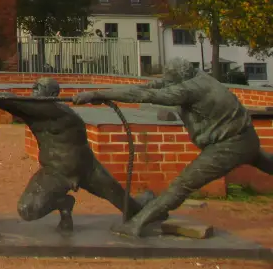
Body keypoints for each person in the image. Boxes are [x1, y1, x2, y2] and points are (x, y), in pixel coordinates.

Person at [75, 57, 273, 237]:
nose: (166, 82)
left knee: (182, 185)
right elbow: (147, 88)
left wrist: (96, 93)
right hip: (246, 139)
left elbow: (146, 96)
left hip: (230, 144)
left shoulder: (191, 89)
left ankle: (136, 224)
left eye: (170, 79)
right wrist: (103, 95)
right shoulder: (192, 78)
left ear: (179, 77)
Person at [0, 77, 150, 232]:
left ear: (51, 95)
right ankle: (64, 203)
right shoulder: (34, 110)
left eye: (38, 89)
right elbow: (7, 102)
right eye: (33, 88)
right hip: (55, 172)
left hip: (87, 168)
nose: (33, 92)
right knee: (27, 210)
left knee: (128, 207)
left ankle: (150, 203)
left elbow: (9, 100)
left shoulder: (54, 110)